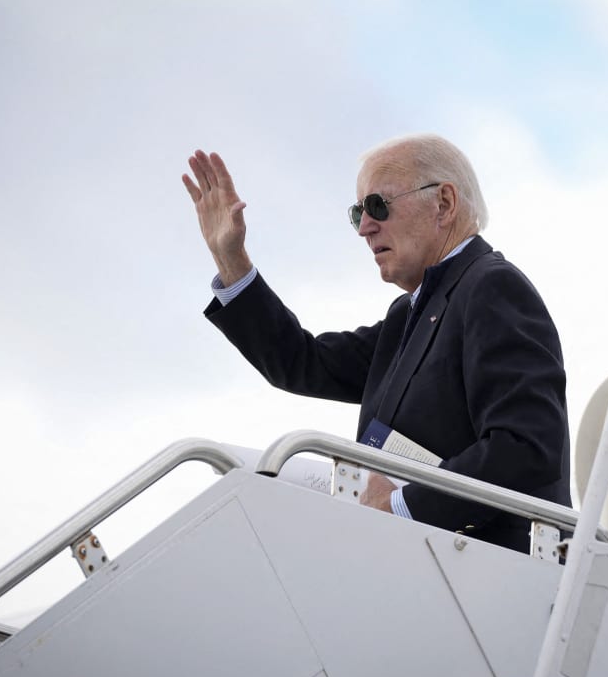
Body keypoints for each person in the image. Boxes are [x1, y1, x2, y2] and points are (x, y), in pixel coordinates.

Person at [181, 133, 570, 552]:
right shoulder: (409, 314)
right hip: (426, 566)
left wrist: (400, 505)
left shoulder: (491, 286)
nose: (365, 228)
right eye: (357, 212)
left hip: (498, 574)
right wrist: (231, 259)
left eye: (377, 206)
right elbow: (301, 362)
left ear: (444, 203)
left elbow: (528, 446)